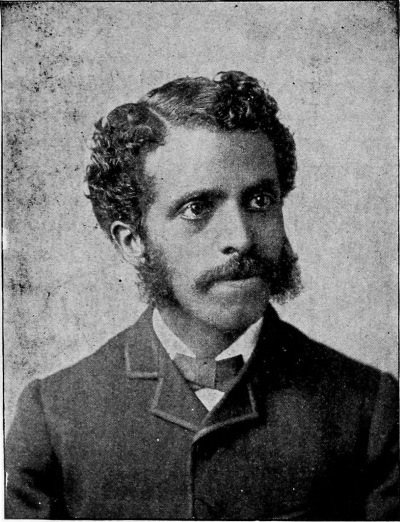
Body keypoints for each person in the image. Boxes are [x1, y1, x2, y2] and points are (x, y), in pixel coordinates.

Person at [5, 71, 399, 520]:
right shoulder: (55, 414)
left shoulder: (370, 408)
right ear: (132, 240)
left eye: (259, 201)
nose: (242, 238)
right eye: (197, 208)